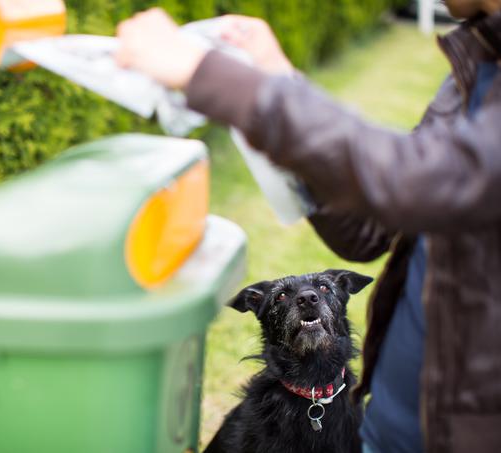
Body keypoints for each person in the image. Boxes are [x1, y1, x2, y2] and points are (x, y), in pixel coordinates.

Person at [115, 2, 501, 453]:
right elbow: (368, 230)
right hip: (387, 422)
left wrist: (214, 77)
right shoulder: (476, 61)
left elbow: (415, 182)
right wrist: (278, 77)